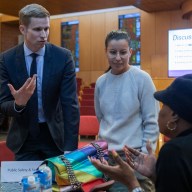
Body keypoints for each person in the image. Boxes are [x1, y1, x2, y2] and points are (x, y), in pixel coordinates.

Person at [0, 4, 80, 160]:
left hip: (55, 137)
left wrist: (71, 148)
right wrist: (19, 104)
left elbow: (70, 105)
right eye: (37, 29)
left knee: (58, 183)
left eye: (46, 28)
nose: (44, 35)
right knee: (27, 184)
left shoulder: (63, 57)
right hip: (23, 138)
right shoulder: (6, 59)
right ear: (23, 29)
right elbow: (3, 105)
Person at [91, 74, 192, 192]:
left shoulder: (174, 151)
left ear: (174, 115)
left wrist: (131, 182)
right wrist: (154, 175)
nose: (159, 111)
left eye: (163, 105)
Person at [94, 30, 159, 191]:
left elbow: (152, 121)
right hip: (106, 155)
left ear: (130, 52)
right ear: (105, 52)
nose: (117, 58)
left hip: (133, 155)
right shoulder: (101, 82)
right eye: (113, 52)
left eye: (123, 52)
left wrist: (143, 156)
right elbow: (101, 118)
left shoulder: (142, 78)